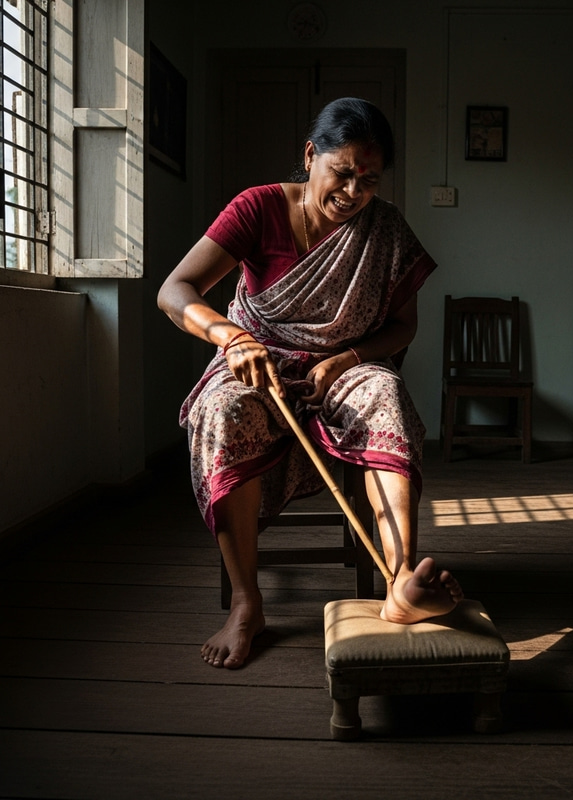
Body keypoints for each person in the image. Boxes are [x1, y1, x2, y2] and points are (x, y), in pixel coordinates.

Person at [157, 97, 463, 669]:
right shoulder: (257, 207)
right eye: (342, 173)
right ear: (309, 155)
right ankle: (247, 604)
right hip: (256, 362)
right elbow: (174, 292)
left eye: (369, 181)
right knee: (221, 413)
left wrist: (344, 358)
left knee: (386, 395)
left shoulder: (386, 228)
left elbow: (403, 327)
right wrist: (229, 336)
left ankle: (401, 585)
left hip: (342, 367)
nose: (353, 193)